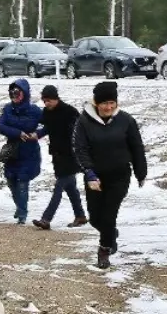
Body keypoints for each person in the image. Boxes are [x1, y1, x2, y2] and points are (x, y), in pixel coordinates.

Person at [72, 81, 147, 269]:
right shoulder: (84, 121)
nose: (109, 107)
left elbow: (137, 147)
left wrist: (141, 171)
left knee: (108, 215)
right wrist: (89, 172)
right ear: (96, 103)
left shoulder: (126, 120)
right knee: (95, 218)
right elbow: (80, 149)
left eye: (112, 102)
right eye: (104, 103)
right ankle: (111, 233)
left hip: (119, 175)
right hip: (95, 177)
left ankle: (104, 250)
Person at [32, 85, 87, 231]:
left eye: (49, 100)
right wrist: (37, 135)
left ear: (56, 98)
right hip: (57, 155)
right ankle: (80, 216)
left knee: (59, 187)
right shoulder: (47, 112)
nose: (46, 104)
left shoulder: (69, 112)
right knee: (71, 188)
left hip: (71, 156)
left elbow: (81, 131)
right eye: (44, 101)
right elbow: (47, 128)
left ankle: (46, 219)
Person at [0, 78, 43, 225]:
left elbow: (50, 125)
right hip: (12, 151)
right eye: (12, 93)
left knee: (23, 181)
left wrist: (38, 134)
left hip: (29, 152)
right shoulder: (8, 109)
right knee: (10, 180)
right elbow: (0, 126)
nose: (14, 96)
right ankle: (19, 206)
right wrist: (18, 133)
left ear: (25, 93)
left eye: (17, 93)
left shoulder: (34, 111)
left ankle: (22, 213)